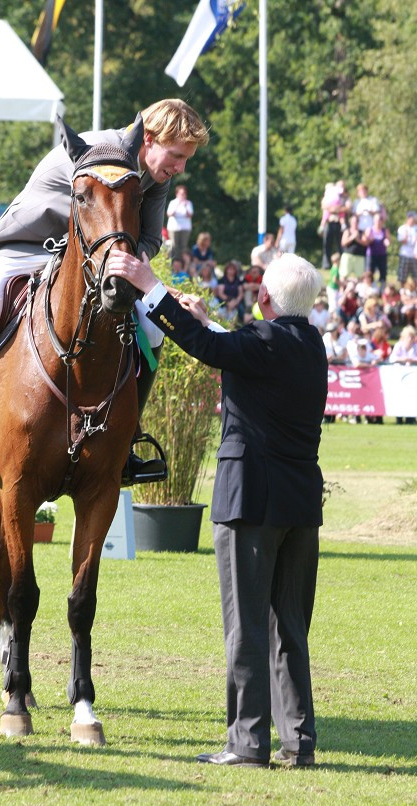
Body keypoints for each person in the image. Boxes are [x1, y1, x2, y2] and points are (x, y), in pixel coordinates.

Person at [107, 250, 328, 767]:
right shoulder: (311, 344)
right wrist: (208, 321)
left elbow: (213, 347)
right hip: (298, 503)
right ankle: (298, 740)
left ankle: (246, 742)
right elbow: (240, 347)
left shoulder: (262, 342)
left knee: (245, 625)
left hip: (250, 498)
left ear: (264, 296)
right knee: (289, 626)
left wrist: (150, 284)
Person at [0, 98, 209, 475]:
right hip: (33, 241)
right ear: (148, 138)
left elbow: (150, 238)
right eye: (177, 155)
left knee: (152, 328)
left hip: (91, 258)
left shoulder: (155, 176)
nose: (181, 167)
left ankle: (129, 436)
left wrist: (138, 270)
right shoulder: (101, 153)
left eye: (186, 159)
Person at [166, 184, 193, 257]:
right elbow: (169, 214)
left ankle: (182, 263)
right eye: (181, 193)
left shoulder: (188, 203)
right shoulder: (173, 202)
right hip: (174, 228)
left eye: (184, 193)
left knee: (183, 247)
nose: (183, 195)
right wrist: (178, 204)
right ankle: (173, 261)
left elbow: (190, 215)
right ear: (177, 194)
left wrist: (185, 206)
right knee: (174, 246)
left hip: (185, 228)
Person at [397, 211, 417, 287]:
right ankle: (402, 291)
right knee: (403, 276)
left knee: (415, 275)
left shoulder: (416, 228)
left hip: (414, 255)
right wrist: (406, 234)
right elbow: (403, 241)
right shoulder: (402, 228)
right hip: (405, 254)